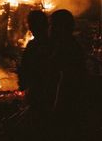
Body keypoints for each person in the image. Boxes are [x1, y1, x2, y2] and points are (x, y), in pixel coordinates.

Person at [49, 9, 86, 140]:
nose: (50, 29)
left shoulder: (67, 47)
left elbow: (66, 79)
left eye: (52, 25)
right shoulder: (68, 45)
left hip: (67, 103)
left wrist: (57, 105)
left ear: (60, 27)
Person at [16, 10, 52, 139]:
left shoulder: (37, 46)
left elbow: (26, 68)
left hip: (40, 94)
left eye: (31, 24)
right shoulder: (51, 44)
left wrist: (23, 83)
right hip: (44, 94)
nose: (30, 28)